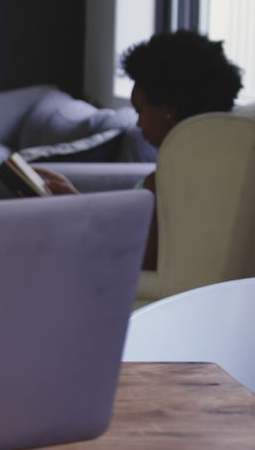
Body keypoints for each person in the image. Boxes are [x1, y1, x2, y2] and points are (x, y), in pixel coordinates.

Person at [36, 31, 243, 270]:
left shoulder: (168, 179)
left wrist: (76, 219)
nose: (138, 123)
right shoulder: (222, 165)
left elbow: (138, 259)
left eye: (140, 111)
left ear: (169, 109)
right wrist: (79, 203)